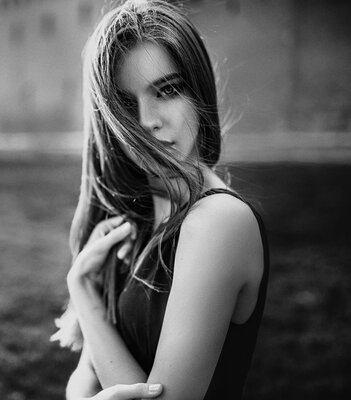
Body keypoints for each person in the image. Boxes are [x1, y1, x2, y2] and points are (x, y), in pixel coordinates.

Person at [50, 1, 269, 399]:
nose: (148, 121)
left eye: (166, 90)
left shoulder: (219, 221)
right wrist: (82, 290)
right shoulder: (134, 216)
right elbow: (82, 382)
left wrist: (86, 298)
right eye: (126, 106)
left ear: (198, 90)